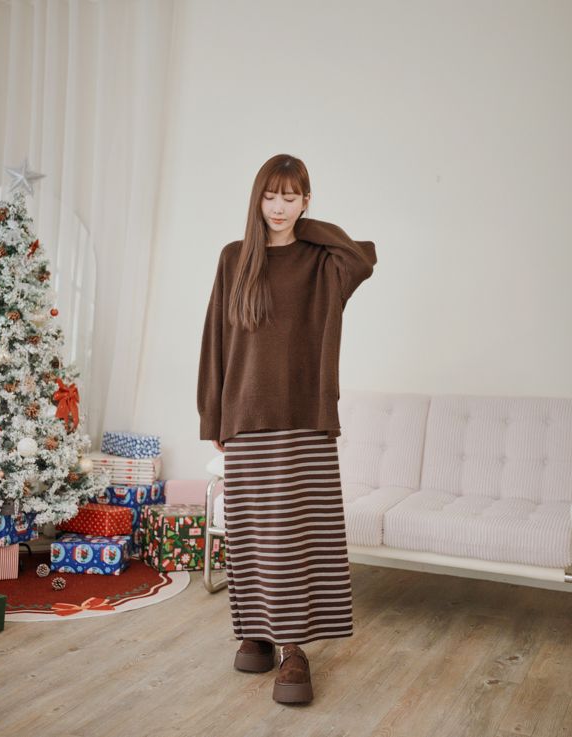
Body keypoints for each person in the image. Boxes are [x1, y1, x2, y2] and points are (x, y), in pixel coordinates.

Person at [197, 153, 377, 704]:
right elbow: (215, 339)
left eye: (290, 197)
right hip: (245, 415)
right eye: (270, 196)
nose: (278, 207)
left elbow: (363, 257)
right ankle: (257, 631)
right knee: (252, 532)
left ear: (306, 201)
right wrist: (213, 416)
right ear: (257, 198)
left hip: (305, 414)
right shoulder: (234, 258)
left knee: (298, 536)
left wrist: (304, 227)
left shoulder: (322, 261)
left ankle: (294, 647)